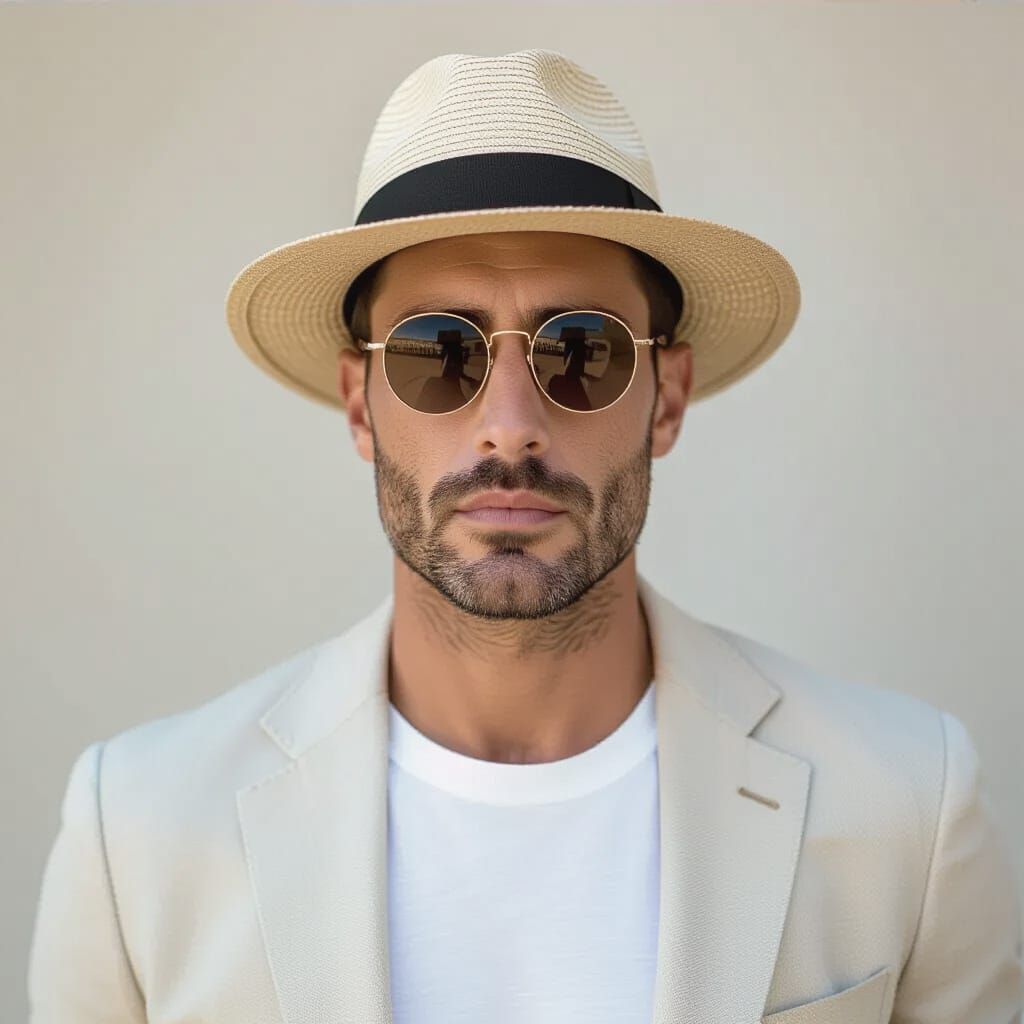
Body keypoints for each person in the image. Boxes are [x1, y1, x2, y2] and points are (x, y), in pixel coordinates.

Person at [28, 48, 1022, 1024]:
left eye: (582, 350)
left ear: (668, 396)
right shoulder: (142, 834)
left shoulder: (903, 807)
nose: (509, 426)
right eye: (437, 352)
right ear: (361, 403)